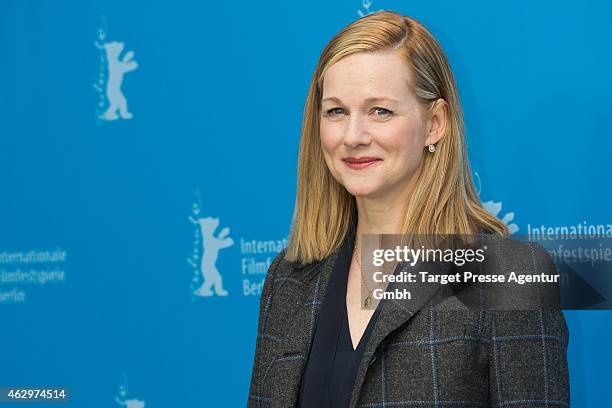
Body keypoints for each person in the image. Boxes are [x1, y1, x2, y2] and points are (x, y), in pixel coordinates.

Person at [248, 10, 569, 408]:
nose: (353, 136)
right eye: (336, 111)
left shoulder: (508, 276)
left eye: (379, 110)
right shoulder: (288, 279)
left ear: (435, 124)